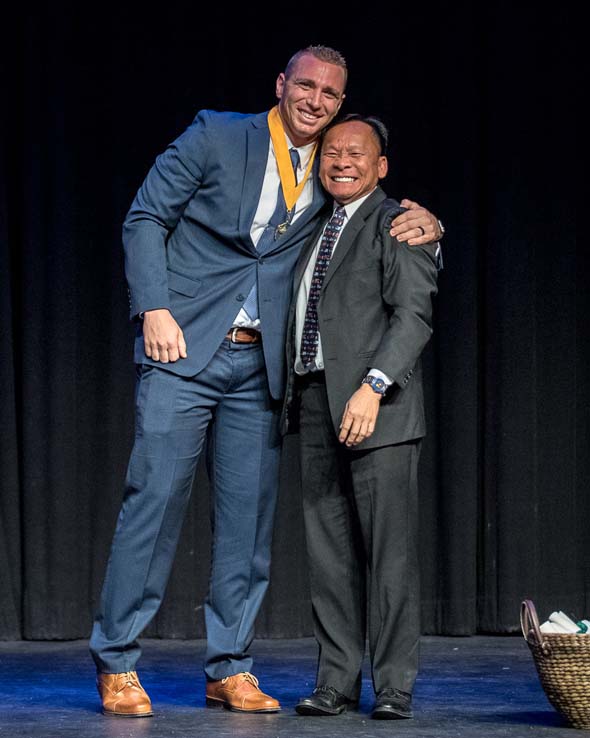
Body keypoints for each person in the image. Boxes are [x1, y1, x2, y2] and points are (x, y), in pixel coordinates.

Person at [89, 46, 444, 718]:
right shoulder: (218, 134)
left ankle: (230, 666)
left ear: (342, 104)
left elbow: (375, 225)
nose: (314, 101)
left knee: (248, 523)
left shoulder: (335, 167)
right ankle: (117, 661)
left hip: (262, 367)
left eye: (329, 94)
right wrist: (154, 305)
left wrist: (434, 227)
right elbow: (145, 216)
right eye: (304, 85)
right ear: (281, 84)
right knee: (155, 501)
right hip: (185, 345)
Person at [282, 114, 439, 720]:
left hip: (380, 407)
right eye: (331, 152)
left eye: (356, 153)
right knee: (329, 554)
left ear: (381, 166)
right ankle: (336, 681)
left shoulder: (397, 221)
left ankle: (394, 686)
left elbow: (414, 316)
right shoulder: (313, 226)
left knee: (390, 555)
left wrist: (372, 387)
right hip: (317, 401)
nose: (341, 161)